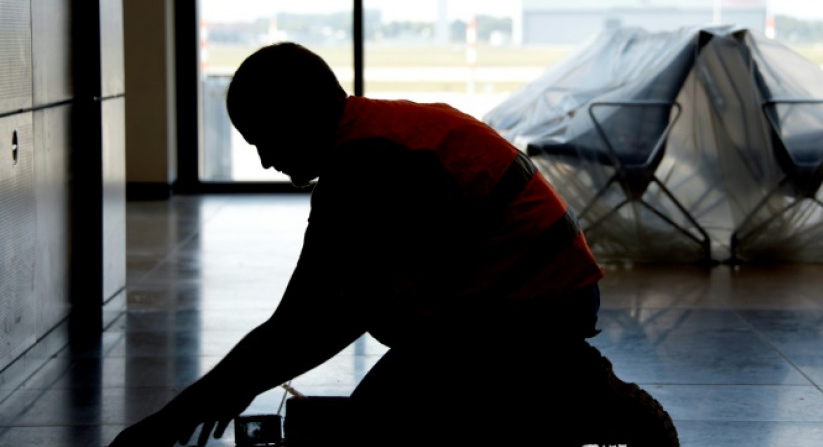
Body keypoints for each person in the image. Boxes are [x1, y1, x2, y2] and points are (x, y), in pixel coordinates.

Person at [107, 42, 677, 446]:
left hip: (531, 310)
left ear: (302, 114)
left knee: (378, 429)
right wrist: (229, 389)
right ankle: (555, 386)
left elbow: (303, 323)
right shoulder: (376, 133)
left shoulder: (365, 168)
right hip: (538, 294)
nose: (265, 160)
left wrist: (174, 419)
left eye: (266, 138)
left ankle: (585, 397)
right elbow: (326, 314)